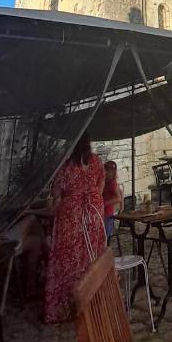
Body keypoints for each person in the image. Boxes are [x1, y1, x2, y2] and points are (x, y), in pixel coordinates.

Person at [44, 132, 105, 324]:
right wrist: (93, 196)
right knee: (91, 254)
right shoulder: (96, 161)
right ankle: (91, 301)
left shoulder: (67, 166)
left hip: (72, 213)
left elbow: (56, 192)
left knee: (68, 257)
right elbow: (100, 184)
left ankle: (66, 306)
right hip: (94, 211)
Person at [102, 160, 122, 242]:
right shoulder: (106, 182)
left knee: (106, 237)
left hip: (107, 213)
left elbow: (118, 198)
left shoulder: (112, 183)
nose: (105, 173)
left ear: (112, 172)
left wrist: (105, 203)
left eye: (107, 171)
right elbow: (121, 191)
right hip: (103, 212)